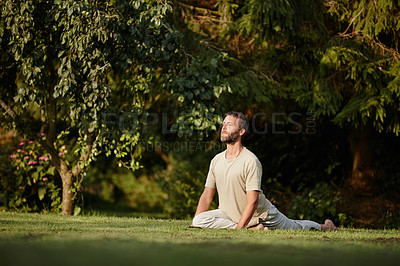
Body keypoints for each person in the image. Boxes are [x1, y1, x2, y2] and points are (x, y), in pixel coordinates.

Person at [191, 111, 338, 231]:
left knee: (295, 226)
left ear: (241, 131)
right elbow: (206, 195)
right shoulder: (216, 160)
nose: (224, 127)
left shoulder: (250, 161)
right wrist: (195, 224)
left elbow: (253, 201)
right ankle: (251, 229)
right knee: (199, 219)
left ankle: (325, 226)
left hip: (261, 215)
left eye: (229, 124)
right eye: (223, 124)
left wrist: (238, 231)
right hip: (228, 214)